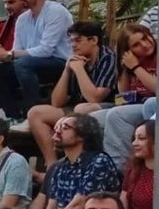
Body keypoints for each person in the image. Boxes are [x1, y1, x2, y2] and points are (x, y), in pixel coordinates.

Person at [28, 113, 121, 209]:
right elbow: (52, 207)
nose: (57, 131)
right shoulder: (60, 166)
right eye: (57, 126)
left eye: (65, 127)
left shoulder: (99, 161)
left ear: (81, 136)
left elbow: (77, 206)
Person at [26, 21, 118, 168]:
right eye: (71, 41)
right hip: (77, 108)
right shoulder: (77, 60)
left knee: (82, 109)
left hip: (106, 106)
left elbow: (95, 97)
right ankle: (52, 165)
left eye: (78, 40)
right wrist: (67, 70)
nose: (73, 45)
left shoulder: (108, 58)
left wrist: (79, 70)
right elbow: (57, 102)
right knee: (35, 112)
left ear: (94, 40)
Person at [0, 0, 74, 121]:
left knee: (23, 63)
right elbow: (17, 50)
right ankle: (13, 116)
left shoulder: (56, 12)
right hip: (29, 64)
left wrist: (9, 54)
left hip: (60, 63)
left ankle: (32, 111)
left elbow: (46, 50)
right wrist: (1, 56)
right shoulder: (22, 19)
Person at [95, 23, 157, 168]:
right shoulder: (131, 61)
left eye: (145, 38)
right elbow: (123, 95)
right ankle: (100, 169)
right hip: (137, 104)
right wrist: (124, 67)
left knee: (117, 115)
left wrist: (136, 67)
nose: (145, 44)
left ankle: (121, 171)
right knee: (93, 119)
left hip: (152, 104)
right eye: (136, 45)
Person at [123, 121, 154, 209]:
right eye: (134, 138)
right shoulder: (134, 168)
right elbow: (123, 202)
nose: (134, 143)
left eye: (141, 138)